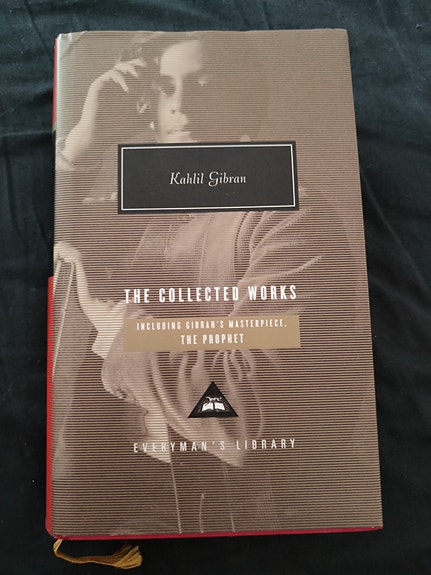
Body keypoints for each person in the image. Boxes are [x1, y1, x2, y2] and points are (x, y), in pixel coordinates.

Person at [54, 32, 356, 534]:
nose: (183, 107)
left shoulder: (288, 215)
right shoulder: (131, 206)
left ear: (247, 102)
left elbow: (241, 412)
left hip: (224, 515)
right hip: (101, 498)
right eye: (166, 89)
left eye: (204, 86)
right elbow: (27, 242)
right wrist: (84, 144)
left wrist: (121, 332)